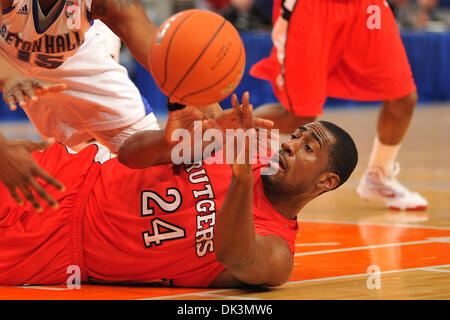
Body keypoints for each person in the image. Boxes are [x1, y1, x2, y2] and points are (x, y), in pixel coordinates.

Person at [0, 93, 358, 288]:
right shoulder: (241, 145)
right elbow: (129, 155)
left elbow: (235, 254)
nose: (290, 145)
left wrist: (241, 181)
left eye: (309, 148)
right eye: (295, 136)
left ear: (326, 182)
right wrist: (169, 141)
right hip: (67, 176)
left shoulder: (278, 254)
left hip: (55, 251)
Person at [250, 0, 428, 211]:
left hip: (366, 7)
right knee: (300, 117)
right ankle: (223, 134)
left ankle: (378, 177)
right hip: (314, 7)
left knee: (404, 97)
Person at [0, 0, 160, 210]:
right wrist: (9, 74)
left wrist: (196, 95)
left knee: (152, 163)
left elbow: (155, 48)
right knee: (68, 175)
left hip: (77, 56)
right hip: (11, 57)